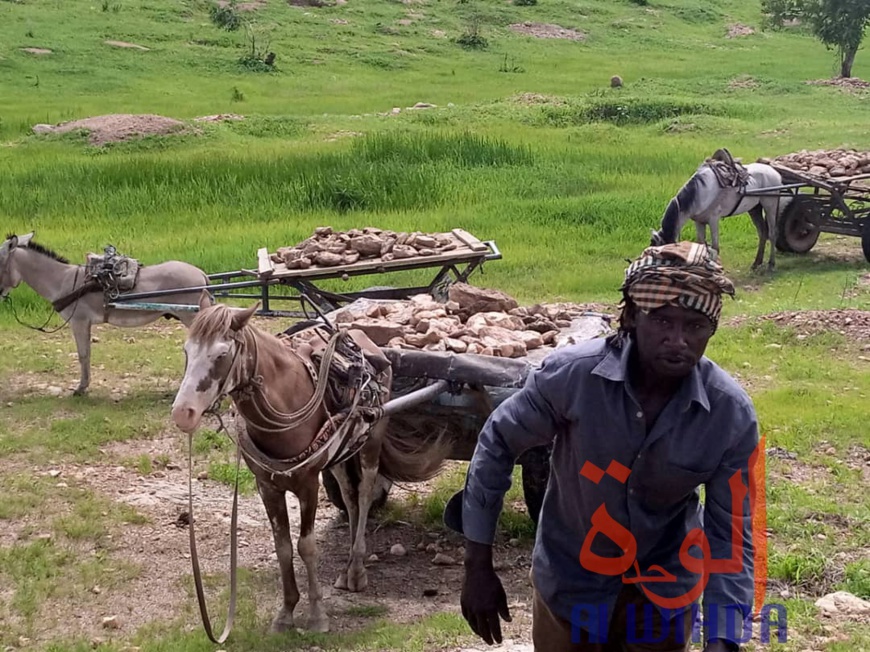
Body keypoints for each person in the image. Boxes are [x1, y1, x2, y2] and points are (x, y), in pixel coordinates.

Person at [443, 241, 760, 652]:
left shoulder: (728, 415)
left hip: (661, 598)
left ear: (711, 330)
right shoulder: (572, 379)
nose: (678, 340)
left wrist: (723, 639)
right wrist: (477, 565)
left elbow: (730, 534)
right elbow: (498, 442)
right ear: (631, 317)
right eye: (662, 321)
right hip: (569, 588)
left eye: (694, 326)